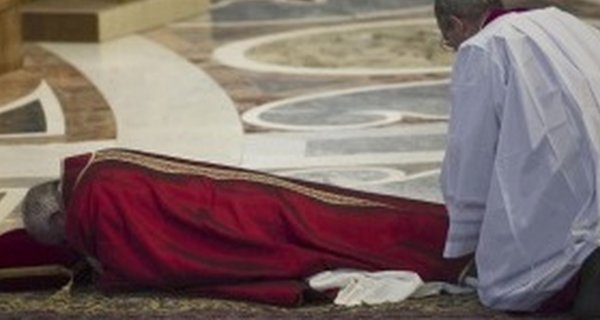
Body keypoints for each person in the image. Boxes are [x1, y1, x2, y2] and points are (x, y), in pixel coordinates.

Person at [21, 147, 469, 306]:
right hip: (236, 196)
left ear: (62, 215)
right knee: (342, 216)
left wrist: (111, 276)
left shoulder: (96, 203)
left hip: (234, 225)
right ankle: (451, 232)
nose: (72, 243)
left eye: (64, 236)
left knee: (329, 234)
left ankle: (451, 248)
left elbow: (151, 259)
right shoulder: (96, 168)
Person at [434, 0, 600, 318]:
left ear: (456, 24)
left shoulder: (482, 47)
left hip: (576, 183)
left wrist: (466, 229)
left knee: (510, 280)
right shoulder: (561, 20)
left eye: (447, 41)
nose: (453, 49)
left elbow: (472, 148)